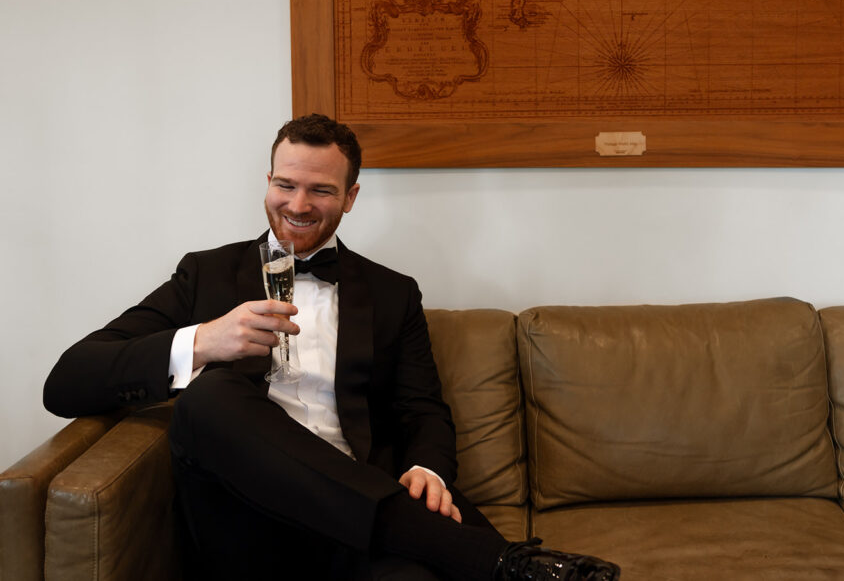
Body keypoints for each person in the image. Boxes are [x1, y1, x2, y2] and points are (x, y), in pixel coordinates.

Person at [43, 114, 620, 581]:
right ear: (267, 181)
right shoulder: (205, 275)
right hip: (249, 517)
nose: (297, 205)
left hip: (364, 516)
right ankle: (488, 559)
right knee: (209, 398)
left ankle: (483, 559)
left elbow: (423, 409)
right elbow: (66, 381)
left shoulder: (393, 293)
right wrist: (203, 341)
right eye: (284, 184)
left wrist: (426, 468)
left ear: (350, 197)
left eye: (321, 190)